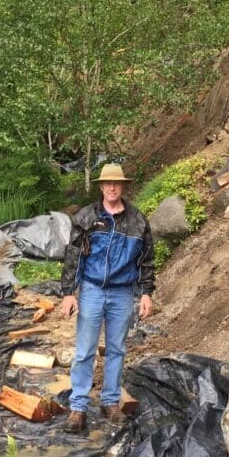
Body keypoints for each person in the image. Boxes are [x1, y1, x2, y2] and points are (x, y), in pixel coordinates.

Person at [60, 163, 155, 433]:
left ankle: (111, 402)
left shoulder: (137, 220)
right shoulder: (86, 217)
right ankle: (78, 406)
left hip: (123, 292)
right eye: (107, 184)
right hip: (91, 290)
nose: (112, 188)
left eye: (117, 183)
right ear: (101, 186)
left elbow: (146, 260)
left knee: (117, 350)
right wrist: (68, 293)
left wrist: (146, 292)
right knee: (84, 351)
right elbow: (73, 257)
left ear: (123, 186)